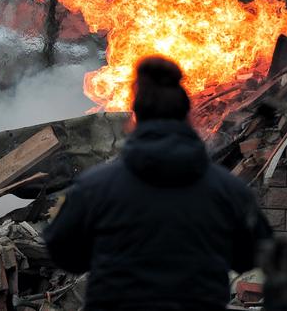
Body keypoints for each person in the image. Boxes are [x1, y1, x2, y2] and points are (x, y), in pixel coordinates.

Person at [44, 56, 272, 311]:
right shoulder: (228, 191)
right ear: (188, 117)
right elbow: (253, 253)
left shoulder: (95, 188)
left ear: (134, 119)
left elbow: (62, 251)